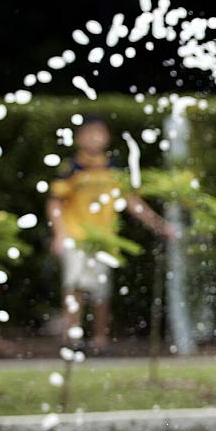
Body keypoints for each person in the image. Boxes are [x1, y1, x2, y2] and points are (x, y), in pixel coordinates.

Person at [46, 115, 175, 354]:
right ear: (78, 138)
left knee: (101, 291)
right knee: (75, 286)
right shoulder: (71, 168)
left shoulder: (113, 168)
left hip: (104, 239)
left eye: (98, 133)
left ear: (107, 138)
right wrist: (60, 234)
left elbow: (129, 201)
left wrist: (158, 224)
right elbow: (56, 203)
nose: (94, 138)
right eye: (88, 133)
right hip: (77, 236)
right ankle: (72, 337)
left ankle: (100, 340)